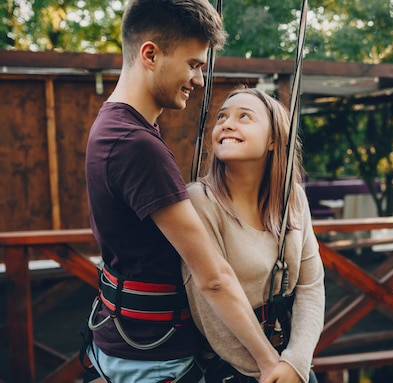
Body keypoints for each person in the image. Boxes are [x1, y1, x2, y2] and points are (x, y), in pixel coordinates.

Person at [83, 1, 281, 382]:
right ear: (150, 54)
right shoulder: (135, 143)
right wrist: (270, 363)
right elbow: (213, 277)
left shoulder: (113, 125)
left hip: (127, 346)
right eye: (194, 64)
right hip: (156, 361)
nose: (200, 80)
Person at [182, 86, 325, 383]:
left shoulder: (293, 198)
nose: (227, 124)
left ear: (274, 140)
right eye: (222, 117)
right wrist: (267, 370)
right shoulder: (200, 201)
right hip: (233, 371)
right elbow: (209, 304)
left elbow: (311, 285)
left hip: (289, 364)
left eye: (243, 116)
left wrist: (296, 362)